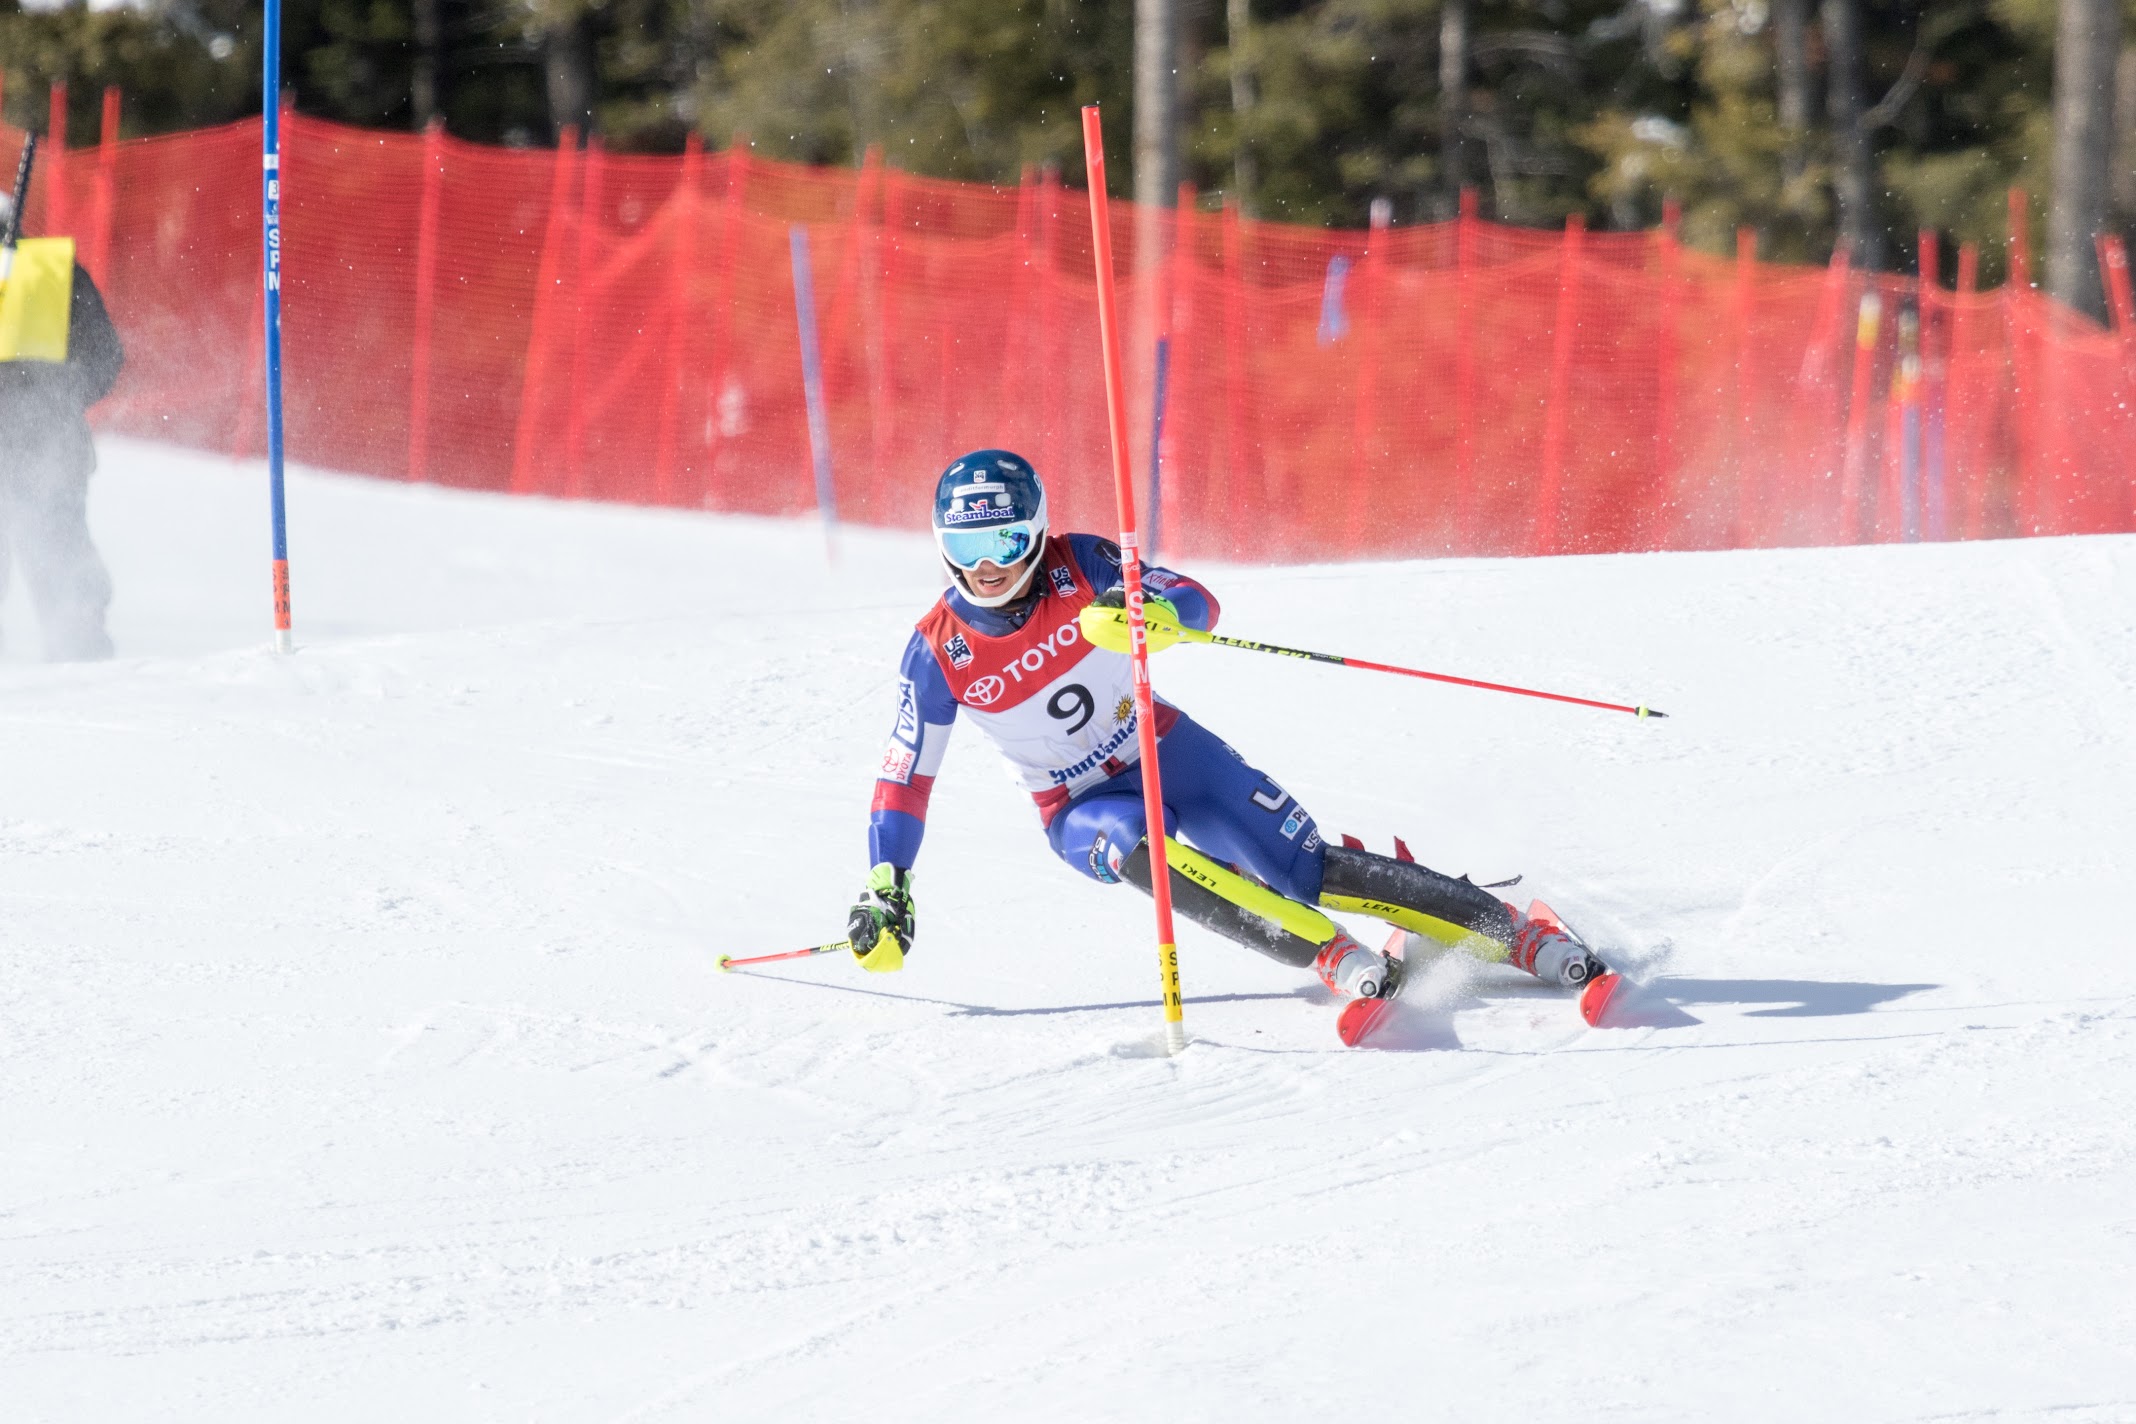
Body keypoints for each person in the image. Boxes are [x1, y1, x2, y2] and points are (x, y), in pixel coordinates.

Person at [849, 449, 1608, 1006]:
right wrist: (889, 884)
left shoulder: (1077, 565)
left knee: (1304, 867)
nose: (989, 568)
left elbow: (1194, 597)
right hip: (1077, 806)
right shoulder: (936, 651)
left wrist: (1157, 615)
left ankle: (1515, 932)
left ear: (1036, 533)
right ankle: (1330, 955)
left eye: (1006, 543)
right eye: (970, 549)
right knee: (1144, 852)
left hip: (1165, 748)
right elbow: (903, 781)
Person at [0, 195, 125, 662]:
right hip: (55, 451)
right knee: (65, 564)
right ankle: (84, 662)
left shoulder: (56, 276)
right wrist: (60, 397)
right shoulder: (58, 274)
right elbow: (106, 357)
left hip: (46, 450)